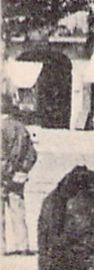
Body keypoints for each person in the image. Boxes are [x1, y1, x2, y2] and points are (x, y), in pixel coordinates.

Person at [2, 105, 37, 254]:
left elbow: (2, 156)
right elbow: (32, 154)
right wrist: (22, 170)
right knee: (18, 211)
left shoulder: (2, 128)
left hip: (3, 176)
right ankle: (22, 246)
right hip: (18, 177)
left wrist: (5, 174)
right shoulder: (22, 129)